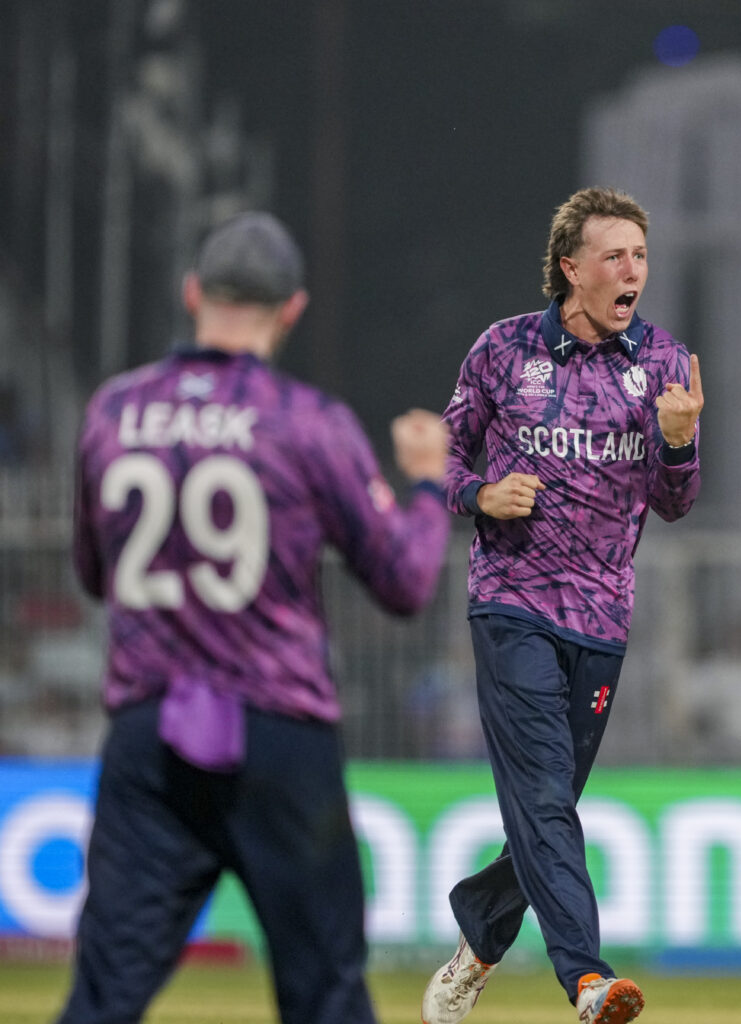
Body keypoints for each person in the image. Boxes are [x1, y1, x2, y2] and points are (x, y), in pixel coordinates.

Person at [55, 211, 451, 1024]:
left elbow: (94, 575)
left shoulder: (112, 412)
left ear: (192, 293)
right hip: (279, 736)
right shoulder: (306, 421)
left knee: (103, 997)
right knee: (326, 994)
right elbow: (406, 580)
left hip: (150, 737)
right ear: (292, 309)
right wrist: (428, 484)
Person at [421, 187, 703, 1024]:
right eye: (615, 256)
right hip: (511, 602)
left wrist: (679, 443)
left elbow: (676, 503)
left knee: (549, 806)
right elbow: (441, 458)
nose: (633, 271)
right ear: (571, 268)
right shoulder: (504, 350)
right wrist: (480, 493)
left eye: (640, 256)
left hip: (604, 619)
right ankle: (587, 980)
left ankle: (480, 927)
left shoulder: (664, 363)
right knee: (544, 796)